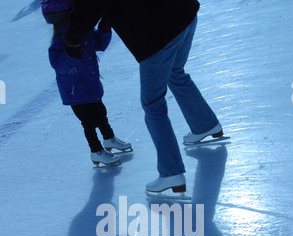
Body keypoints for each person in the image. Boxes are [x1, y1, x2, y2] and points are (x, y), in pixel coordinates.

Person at [42, 0, 222, 192]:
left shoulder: (72, 31)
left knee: (153, 104)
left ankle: (172, 173)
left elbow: (92, 8)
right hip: (184, 13)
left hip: (159, 34)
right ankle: (205, 124)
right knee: (175, 72)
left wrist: (72, 37)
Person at [41, 0, 132, 167]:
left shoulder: (83, 32)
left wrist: (104, 27)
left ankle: (109, 139)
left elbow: (100, 44)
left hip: (91, 85)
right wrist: (71, 51)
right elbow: (59, 65)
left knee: (101, 114)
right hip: (75, 91)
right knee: (88, 122)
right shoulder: (60, 40)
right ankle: (95, 151)